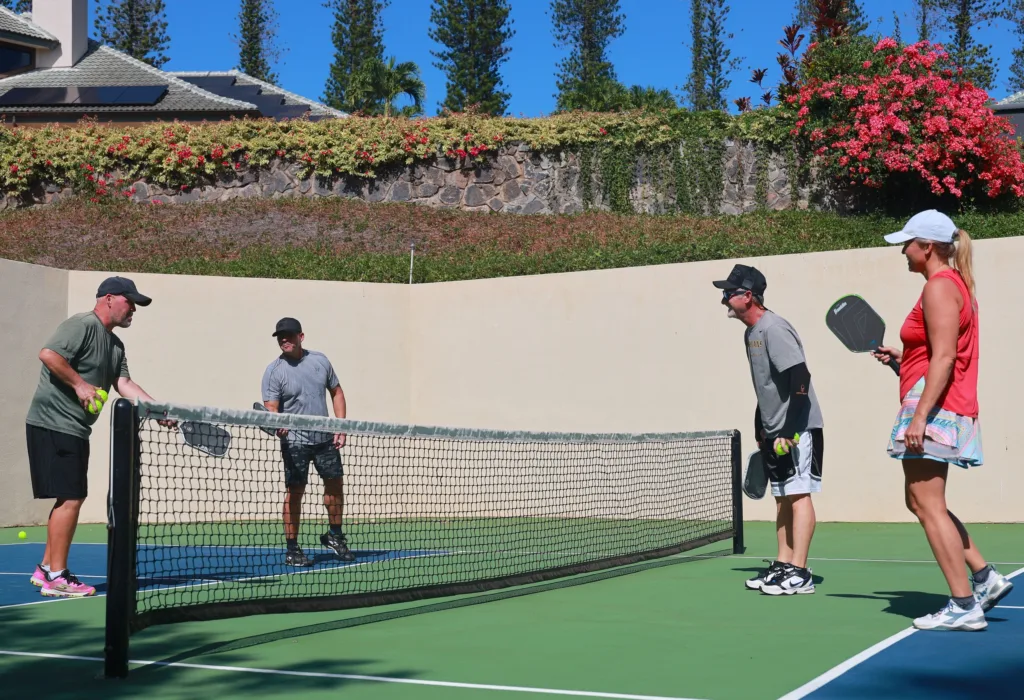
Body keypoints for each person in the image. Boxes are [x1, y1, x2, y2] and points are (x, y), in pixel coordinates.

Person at [873, 210, 1012, 631]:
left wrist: (919, 416)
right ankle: (984, 578)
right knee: (922, 501)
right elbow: (938, 351)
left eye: (908, 243)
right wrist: (904, 359)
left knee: (927, 504)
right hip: (934, 398)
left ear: (927, 247)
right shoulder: (952, 285)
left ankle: (963, 603)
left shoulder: (938, 287)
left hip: (934, 407)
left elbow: (947, 358)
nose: (903, 250)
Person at [26, 276, 167, 598]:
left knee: (70, 496)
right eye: (129, 302)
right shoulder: (83, 324)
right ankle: (57, 576)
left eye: (136, 304)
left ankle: (46, 568)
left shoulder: (116, 345)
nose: (133, 309)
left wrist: (158, 409)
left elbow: (125, 384)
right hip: (52, 423)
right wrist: (80, 385)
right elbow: (48, 354)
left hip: (75, 427)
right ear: (107, 299)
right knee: (72, 498)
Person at [714, 264, 825, 596]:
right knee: (781, 497)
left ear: (748, 296)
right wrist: (762, 427)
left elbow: (800, 379)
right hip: (774, 429)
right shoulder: (751, 333)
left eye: (729, 293)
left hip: (799, 429)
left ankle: (801, 572)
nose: (723, 299)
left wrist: (789, 431)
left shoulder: (774, 329)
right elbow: (766, 387)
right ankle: (784, 563)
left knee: (798, 494)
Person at [261, 317, 355, 566]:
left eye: (289, 335)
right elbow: (271, 408)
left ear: (301, 337)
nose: (284, 339)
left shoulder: (320, 361)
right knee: (295, 492)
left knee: (335, 486)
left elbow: (337, 392)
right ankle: (292, 548)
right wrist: (277, 423)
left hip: (324, 438)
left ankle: (335, 536)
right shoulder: (274, 371)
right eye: (280, 336)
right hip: (295, 442)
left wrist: (341, 426)